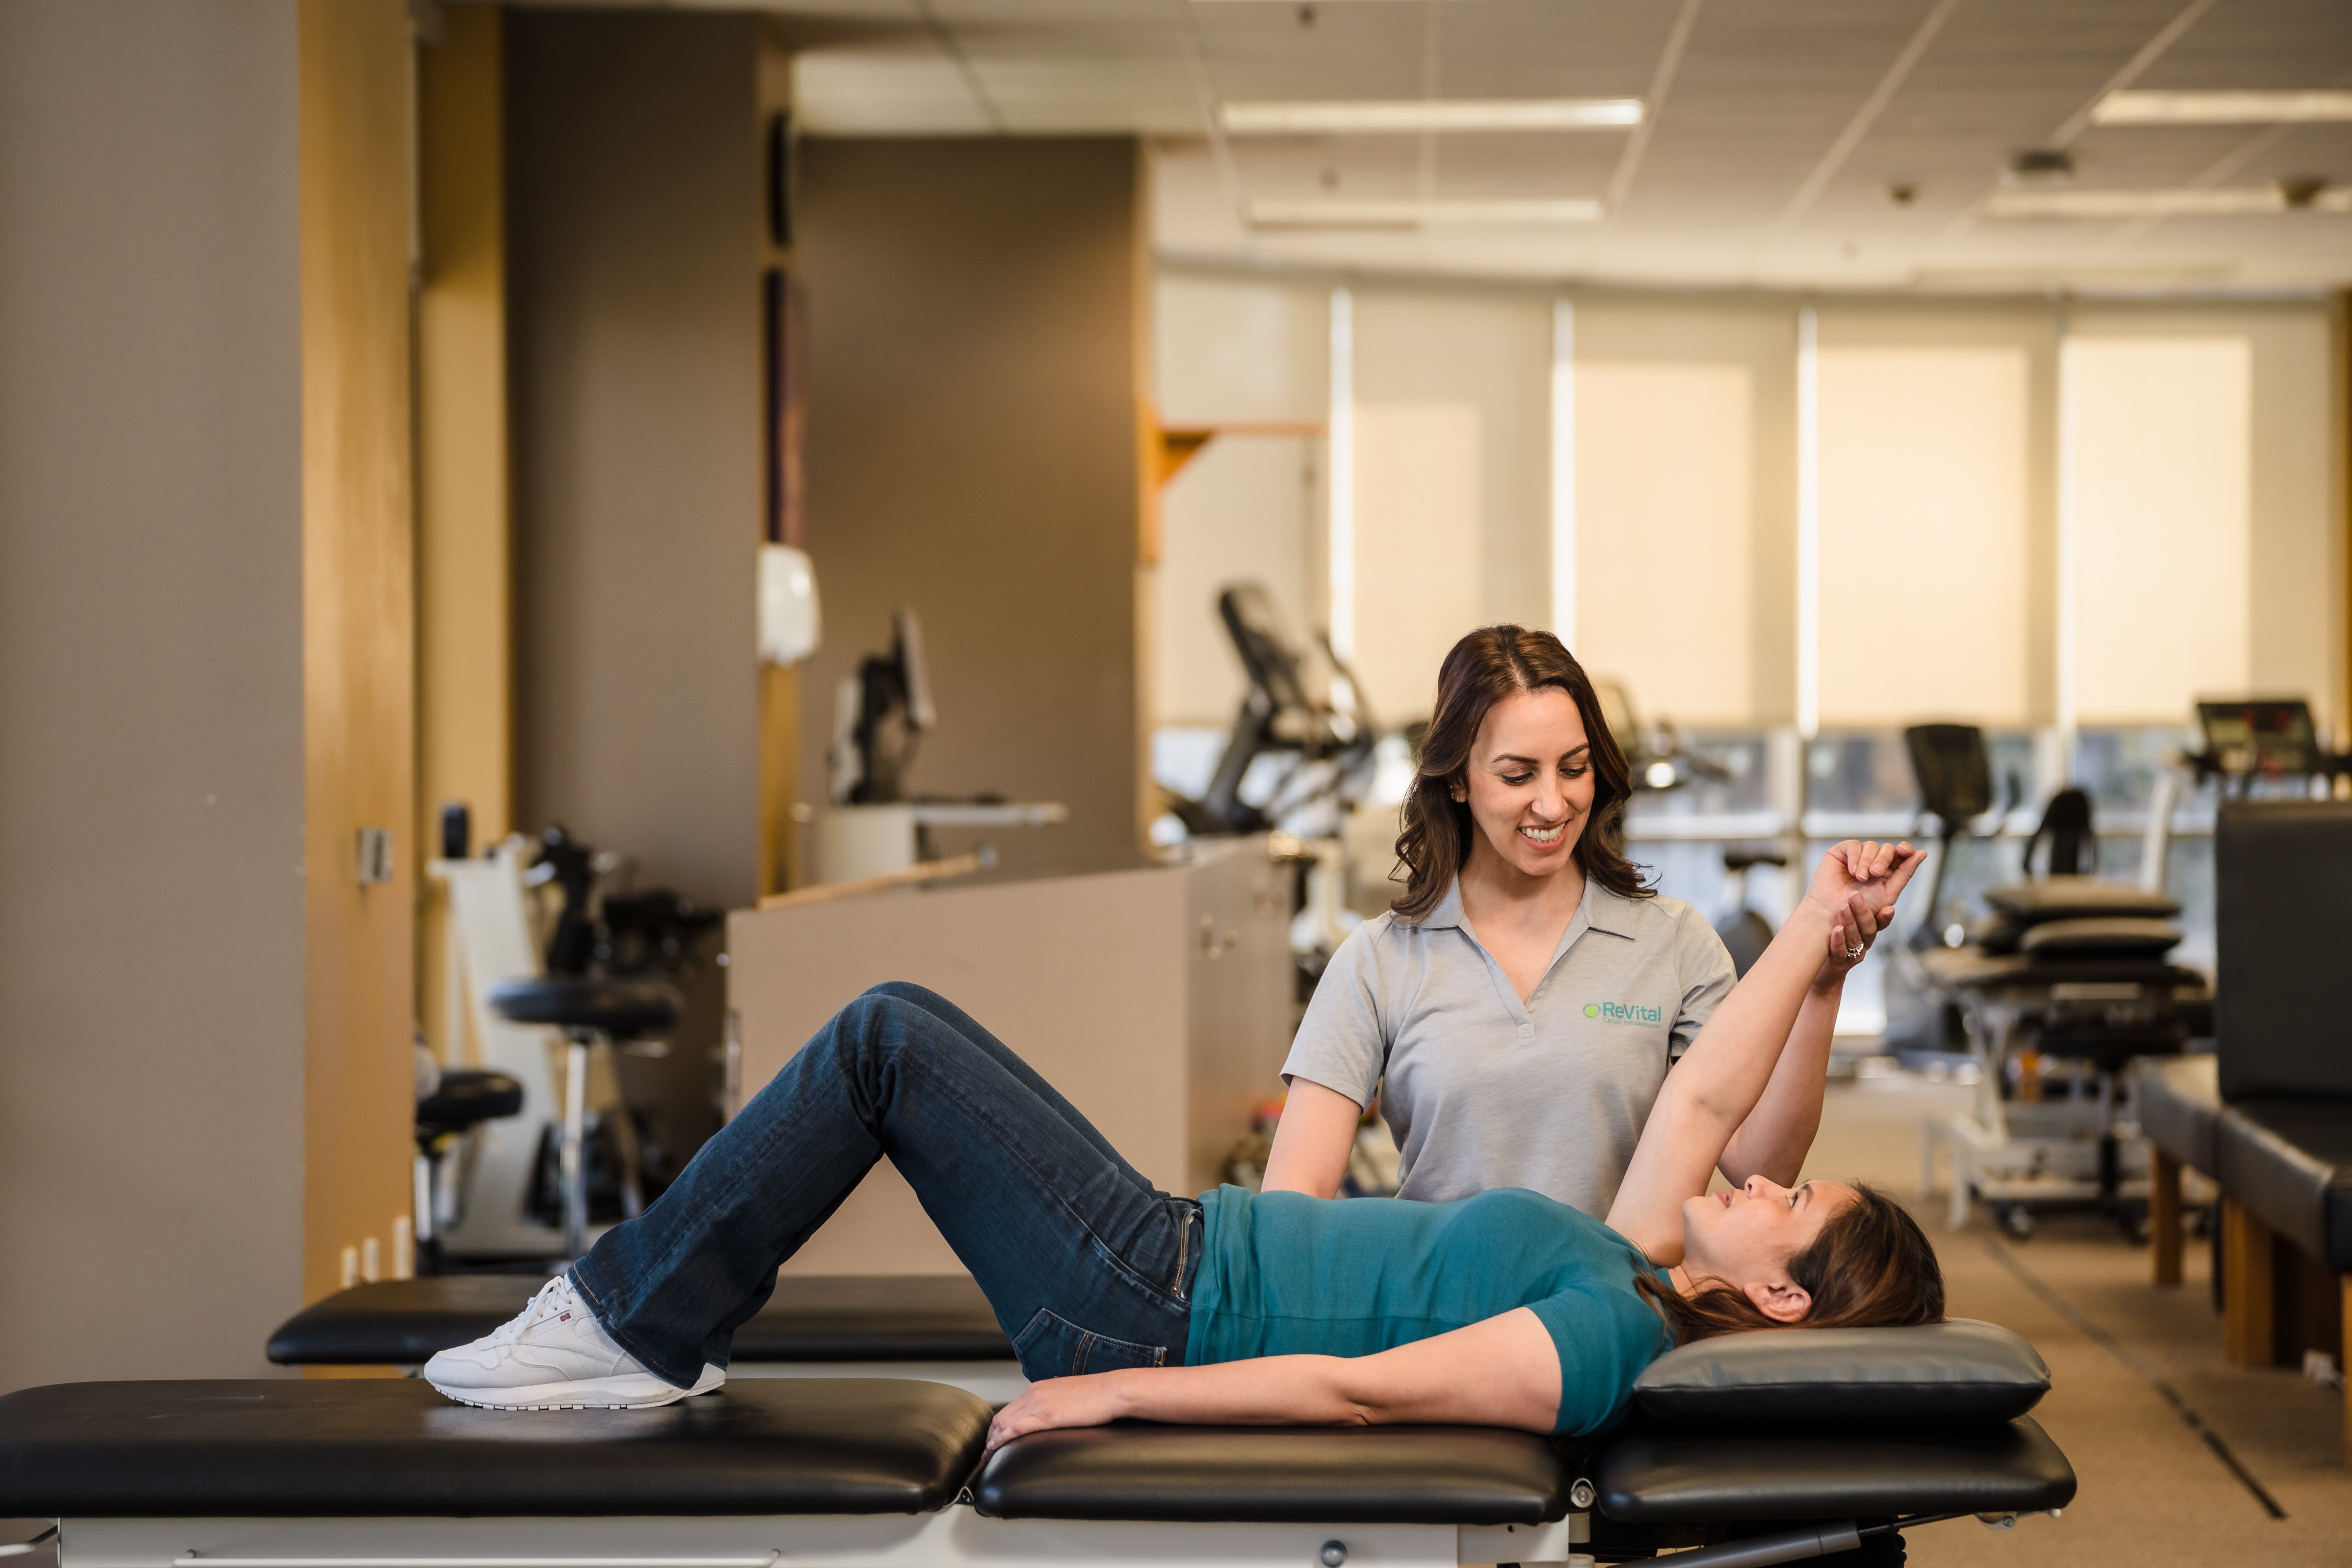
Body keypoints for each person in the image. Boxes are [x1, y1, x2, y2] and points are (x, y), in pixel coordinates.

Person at [425, 842, 1935, 1450]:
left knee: (887, 1035)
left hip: (1151, 1296)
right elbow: (1700, 1106)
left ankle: (628, 1320)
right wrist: (1819, 929)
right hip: (1168, 1247)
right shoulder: (1643, 1266)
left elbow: (1362, 1390)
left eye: (1793, 1203)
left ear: (1788, 1296)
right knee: (891, 1036)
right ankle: (647, 1317)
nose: (1762, 1178)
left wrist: (1119, 1392)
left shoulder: (1607, 1340)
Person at [1265, 626, 1831, 1216]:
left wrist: (1822, 988)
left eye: (1573, 768)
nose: (1553, 804)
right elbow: (1290, 1205)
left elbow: (1762, 1167)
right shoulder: (1377, 961)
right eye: (1518, 775)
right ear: (1458, 779)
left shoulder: (1674, 942)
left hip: (1617, 1302)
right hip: (1450, 1305)